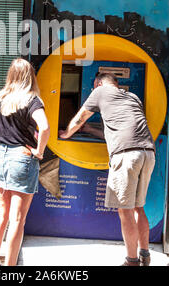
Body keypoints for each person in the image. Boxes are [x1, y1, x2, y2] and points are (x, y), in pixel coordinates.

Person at [59, 72, 155, 267]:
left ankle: (132, 261)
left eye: (94, 86)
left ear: (99, 83)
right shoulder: (132, 97)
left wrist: (67, 133)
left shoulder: (100, 91)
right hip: (147, 153)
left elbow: (79, 118)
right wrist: (90, 131)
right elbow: (118, 129)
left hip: (126, 156)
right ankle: (145, 255)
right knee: (138, 207)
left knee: (125, 210)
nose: (94, 89)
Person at [0, 58, 50, 266]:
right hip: (21, 158)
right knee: (17, 220)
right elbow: (45, 128)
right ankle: (10, 267)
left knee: (1, 215)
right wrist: (39, 152)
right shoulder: (31, 100)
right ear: (30, 76)